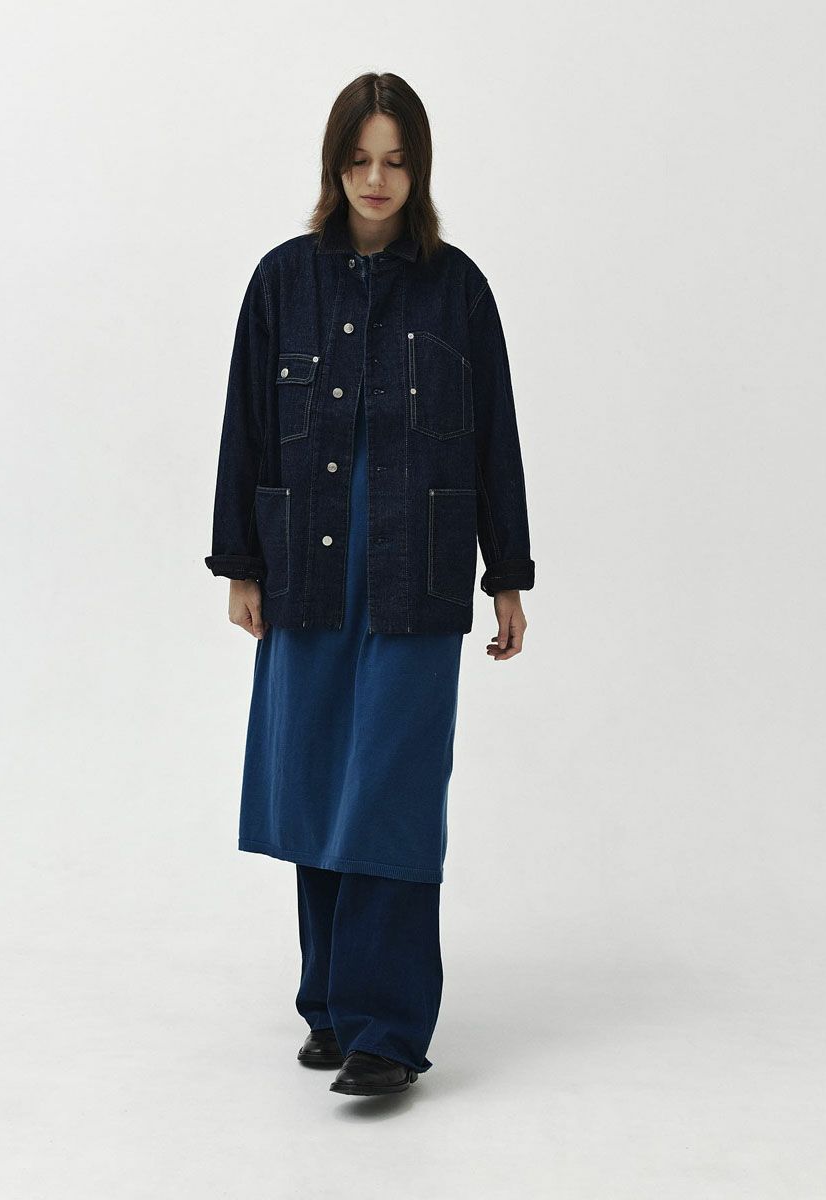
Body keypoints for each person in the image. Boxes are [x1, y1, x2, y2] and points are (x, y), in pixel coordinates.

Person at [204, 72, 535, 1098]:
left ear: (418, 168)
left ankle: (385, 1030)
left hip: (417, 574)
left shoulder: (458, 289)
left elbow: (495, 438)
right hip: (305, 567)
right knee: (315, 783)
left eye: (395, 161)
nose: (377, 179)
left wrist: (508, 575)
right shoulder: (281, 281)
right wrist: (238, 563)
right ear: (334, 165)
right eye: (359, 160)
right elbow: (245, 425)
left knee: (389, 789)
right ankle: (330, 1010)